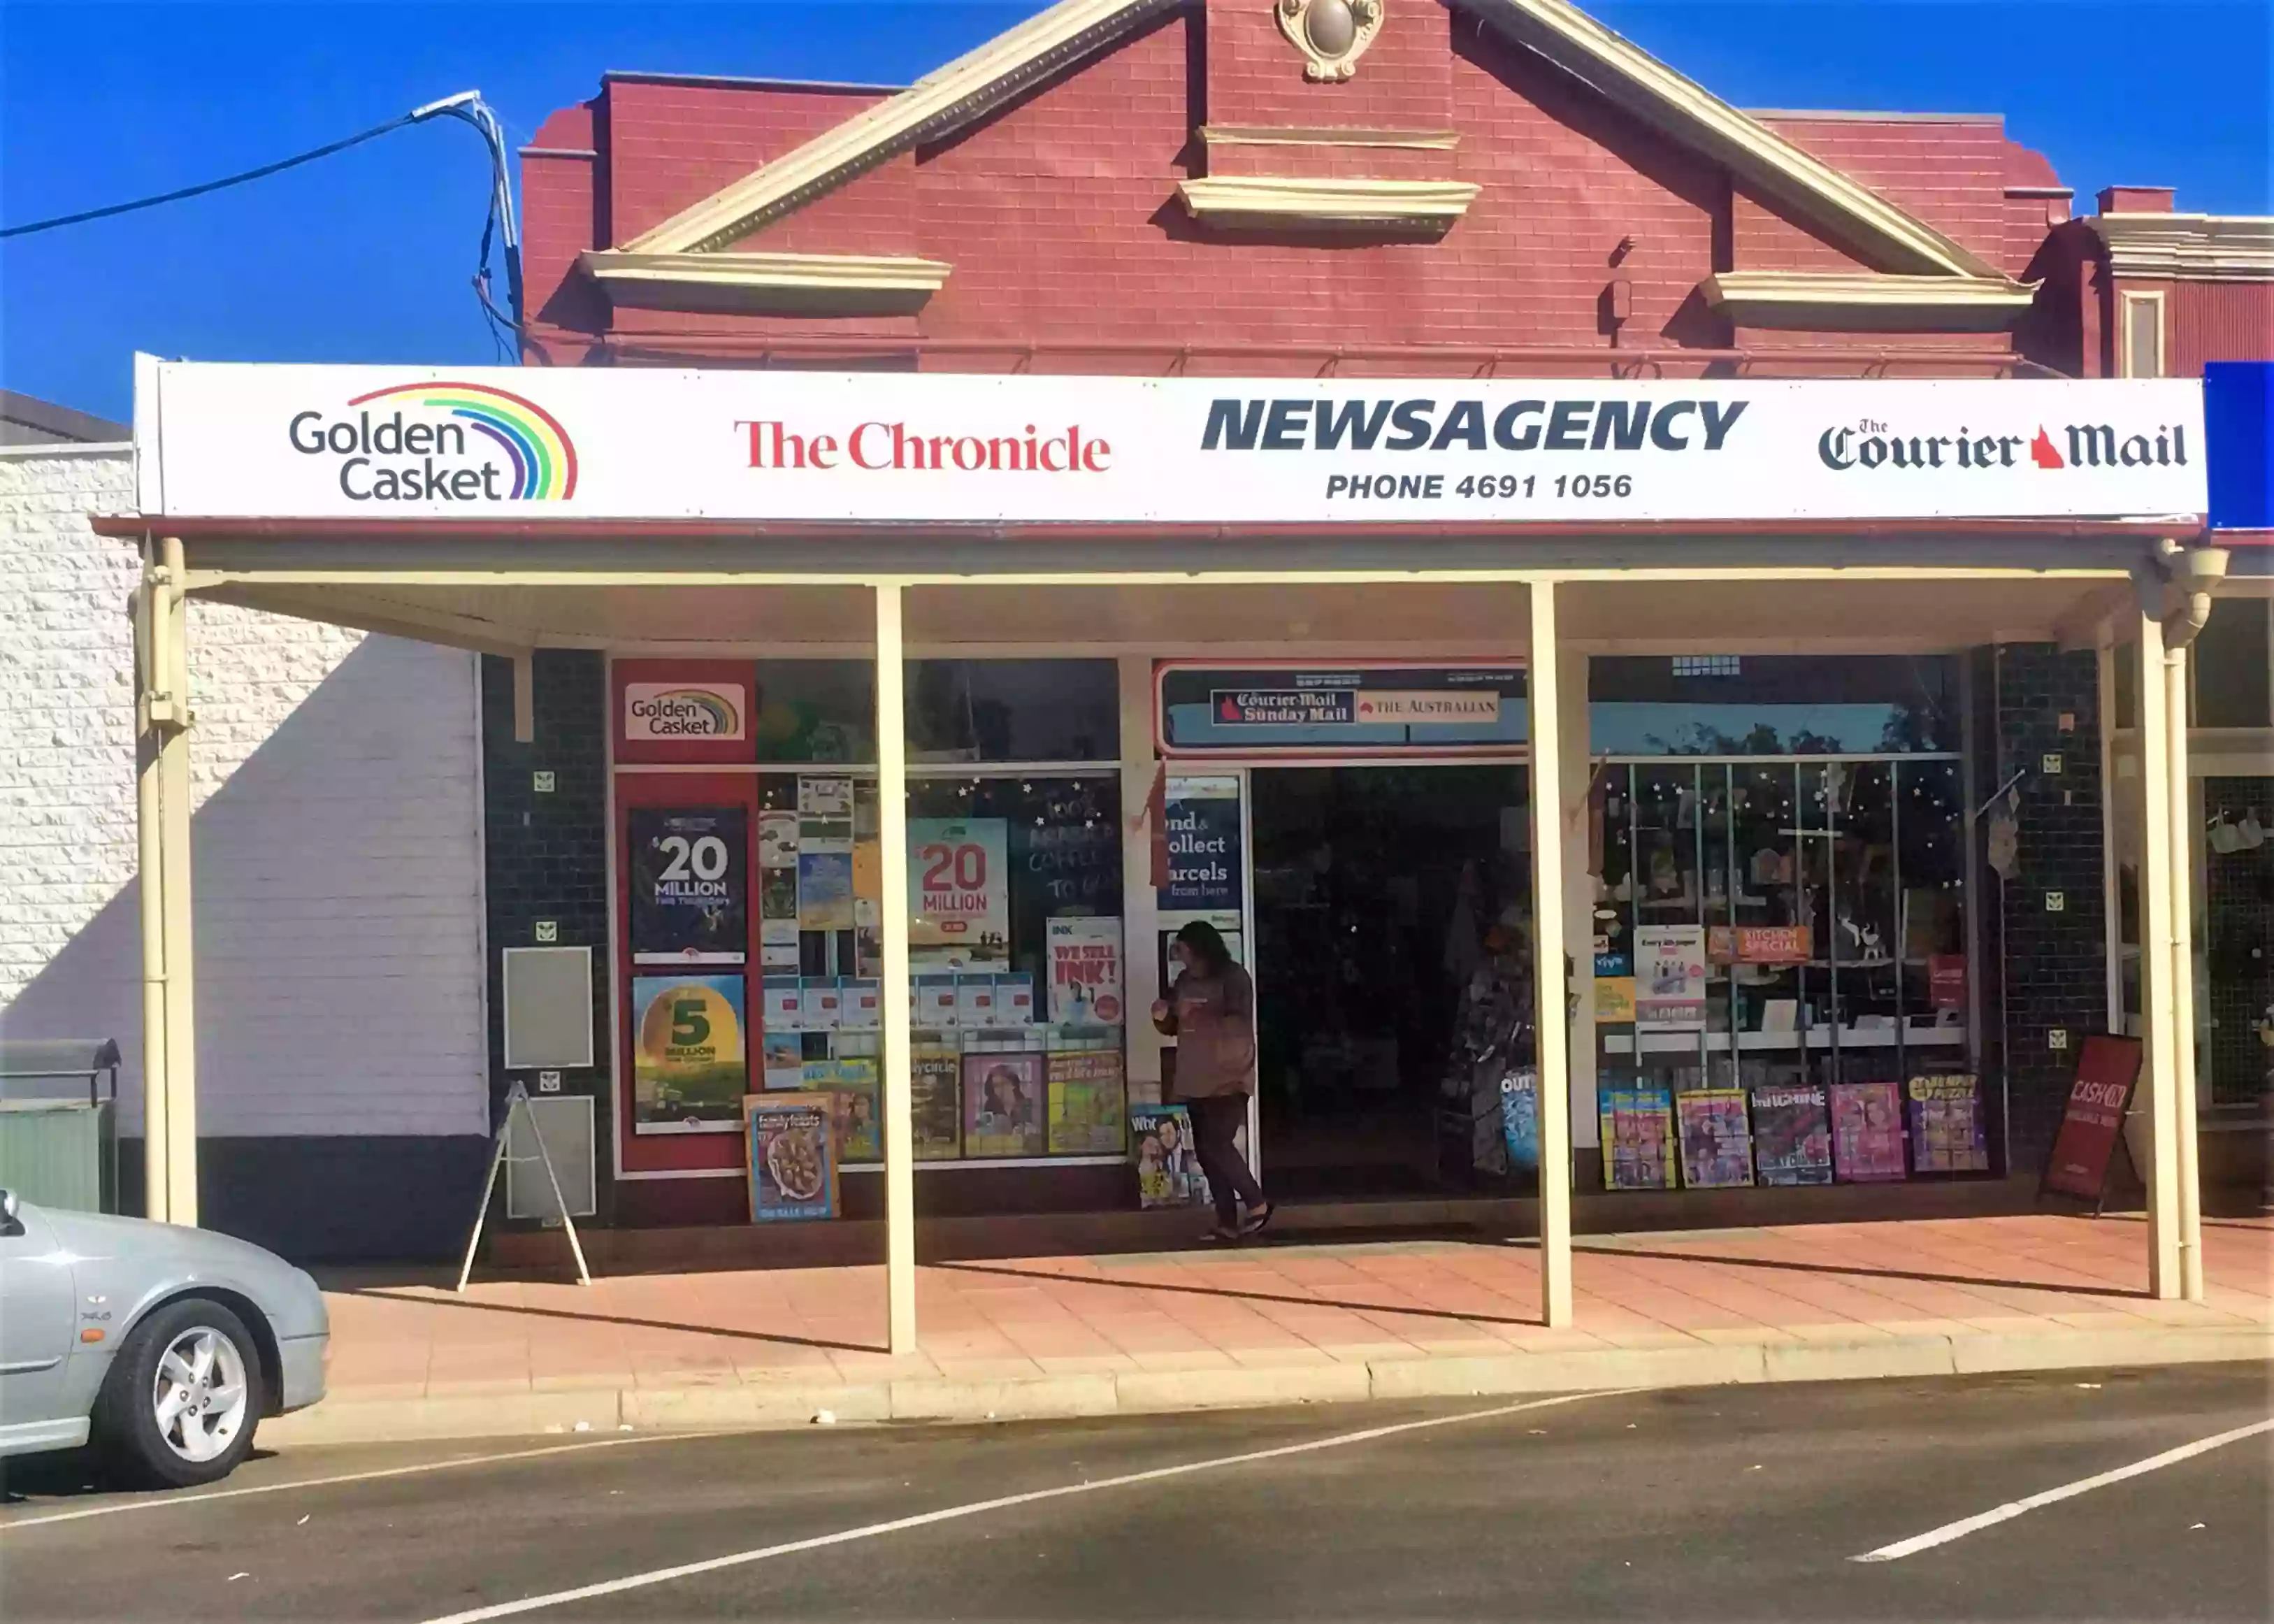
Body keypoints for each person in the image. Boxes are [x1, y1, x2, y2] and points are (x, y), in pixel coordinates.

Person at [1152, 920, 1271, 1242]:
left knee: (1218, 1142)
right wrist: (1162, 1016)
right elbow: (1172, 1026)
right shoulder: (1183, 980)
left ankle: (1257, 1202)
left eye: (1184, 948)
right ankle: (1226, 1221)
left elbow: (1239, 1021)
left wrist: (1200, 1015)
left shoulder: (1233, 977)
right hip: (1195, 1075)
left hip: (1229, 1075)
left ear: (1200, 947)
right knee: (1205, 1150)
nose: (1181, 955)